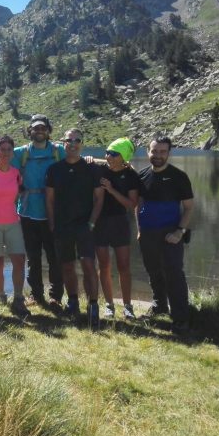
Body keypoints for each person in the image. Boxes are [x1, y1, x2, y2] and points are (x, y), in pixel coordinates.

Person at [45, 128, 104, 328]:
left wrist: (92, 223)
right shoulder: (54, 169)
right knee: (67, 265)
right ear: (64, 144)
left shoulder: (92, 168)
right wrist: (52, 223)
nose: (73, 144)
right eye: (69, 141)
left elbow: (99, 199)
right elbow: (50, 200)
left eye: (77, 140)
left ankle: (93, 305)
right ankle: (73, 301)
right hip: (62, 226)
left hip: (85, 226)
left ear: (82, 144)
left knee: (88, 265)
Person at [136, 136, 195, 334]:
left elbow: (188, 208)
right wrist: (139, 229)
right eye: (154, 151)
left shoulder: (179, 177)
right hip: (147, 234)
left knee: (174, 275)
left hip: (171, 234)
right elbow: (138, 205)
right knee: (153, 271)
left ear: (169, 153)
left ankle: (181, 319)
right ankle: (160, 306)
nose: (158, 155)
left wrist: (179, 232)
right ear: (148, 152)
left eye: (162, 152)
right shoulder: (142, 175)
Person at [11, 114, 65, 306]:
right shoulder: (21, 153)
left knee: (55, 257)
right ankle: (36, 294)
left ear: (49, 131)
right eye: (35, 128)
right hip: (27, 213)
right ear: (30, 131)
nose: (39, 131)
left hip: (54, 213)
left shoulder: (60, 151)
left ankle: (56, 297)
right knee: (33, 257)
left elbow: (79, 162)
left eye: (43, 128)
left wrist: (100, 161)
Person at [0, 135, 29, 316]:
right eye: (3, 149)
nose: (6, 152)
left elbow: (20, 193)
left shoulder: (16, 173)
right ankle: (0, 296)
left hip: (12, 222)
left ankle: (18, 298)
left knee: (19, 260)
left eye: (9, 149)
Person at [95, 137, 140, 320]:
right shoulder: (102, 168)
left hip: (120, 223)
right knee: (104, 265)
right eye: (107, 152)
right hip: (100, 223)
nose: (108, 156)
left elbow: (131, 204)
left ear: (123, 157)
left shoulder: (131, 176)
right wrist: (91, 158)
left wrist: (112, 190)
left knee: (123, 266)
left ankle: (128, 306)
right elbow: (83, 159)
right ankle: (109, 304)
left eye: (114, 154)